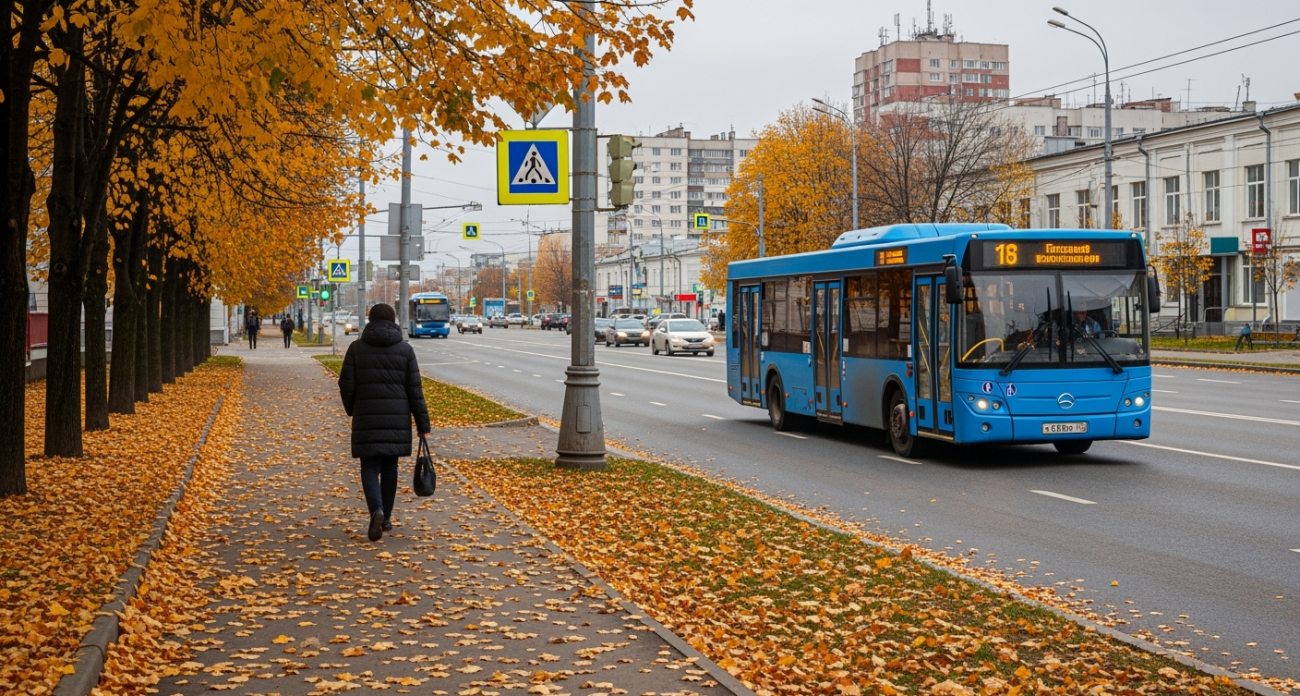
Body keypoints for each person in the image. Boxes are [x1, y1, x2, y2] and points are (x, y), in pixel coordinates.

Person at [338, 303, 431, 542]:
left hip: (366, 416)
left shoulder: (356, 348)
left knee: (369, 466)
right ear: (393, 320)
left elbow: (345, 384)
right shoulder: (405, 350)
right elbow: (415, 391)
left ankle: (376, 510)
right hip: (397, 419)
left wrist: (352, 409)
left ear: (370, 320)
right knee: (390, 467)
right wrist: (423, 426)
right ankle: (386, 518)